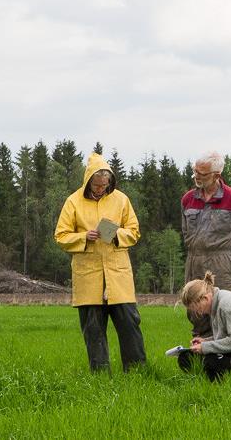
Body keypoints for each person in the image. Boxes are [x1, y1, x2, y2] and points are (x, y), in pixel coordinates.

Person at [54, 153, 146, 373]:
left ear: (110, 182)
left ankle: (137, 373)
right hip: (89, 276)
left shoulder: (122, 199)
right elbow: (61, 236)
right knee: (94, 331)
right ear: (88, 182)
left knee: (129, 327)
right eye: (96, 186)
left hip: (118, 275)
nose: (100, 189)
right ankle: (100, 375)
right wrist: (84, 237)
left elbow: (134, 232)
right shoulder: (73, 201)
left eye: (105, 185)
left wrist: (115, 234)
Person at [181, 151, 231, 337]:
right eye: (195, 171)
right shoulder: (188, 199)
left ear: (217, 175)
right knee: (195, 310)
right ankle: (201, 358)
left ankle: (229, 357)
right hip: (194, 260)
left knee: (224, 309)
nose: (197, 176)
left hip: (222, 262)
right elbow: (185, 231)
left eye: (202, 173)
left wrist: (230, 256)